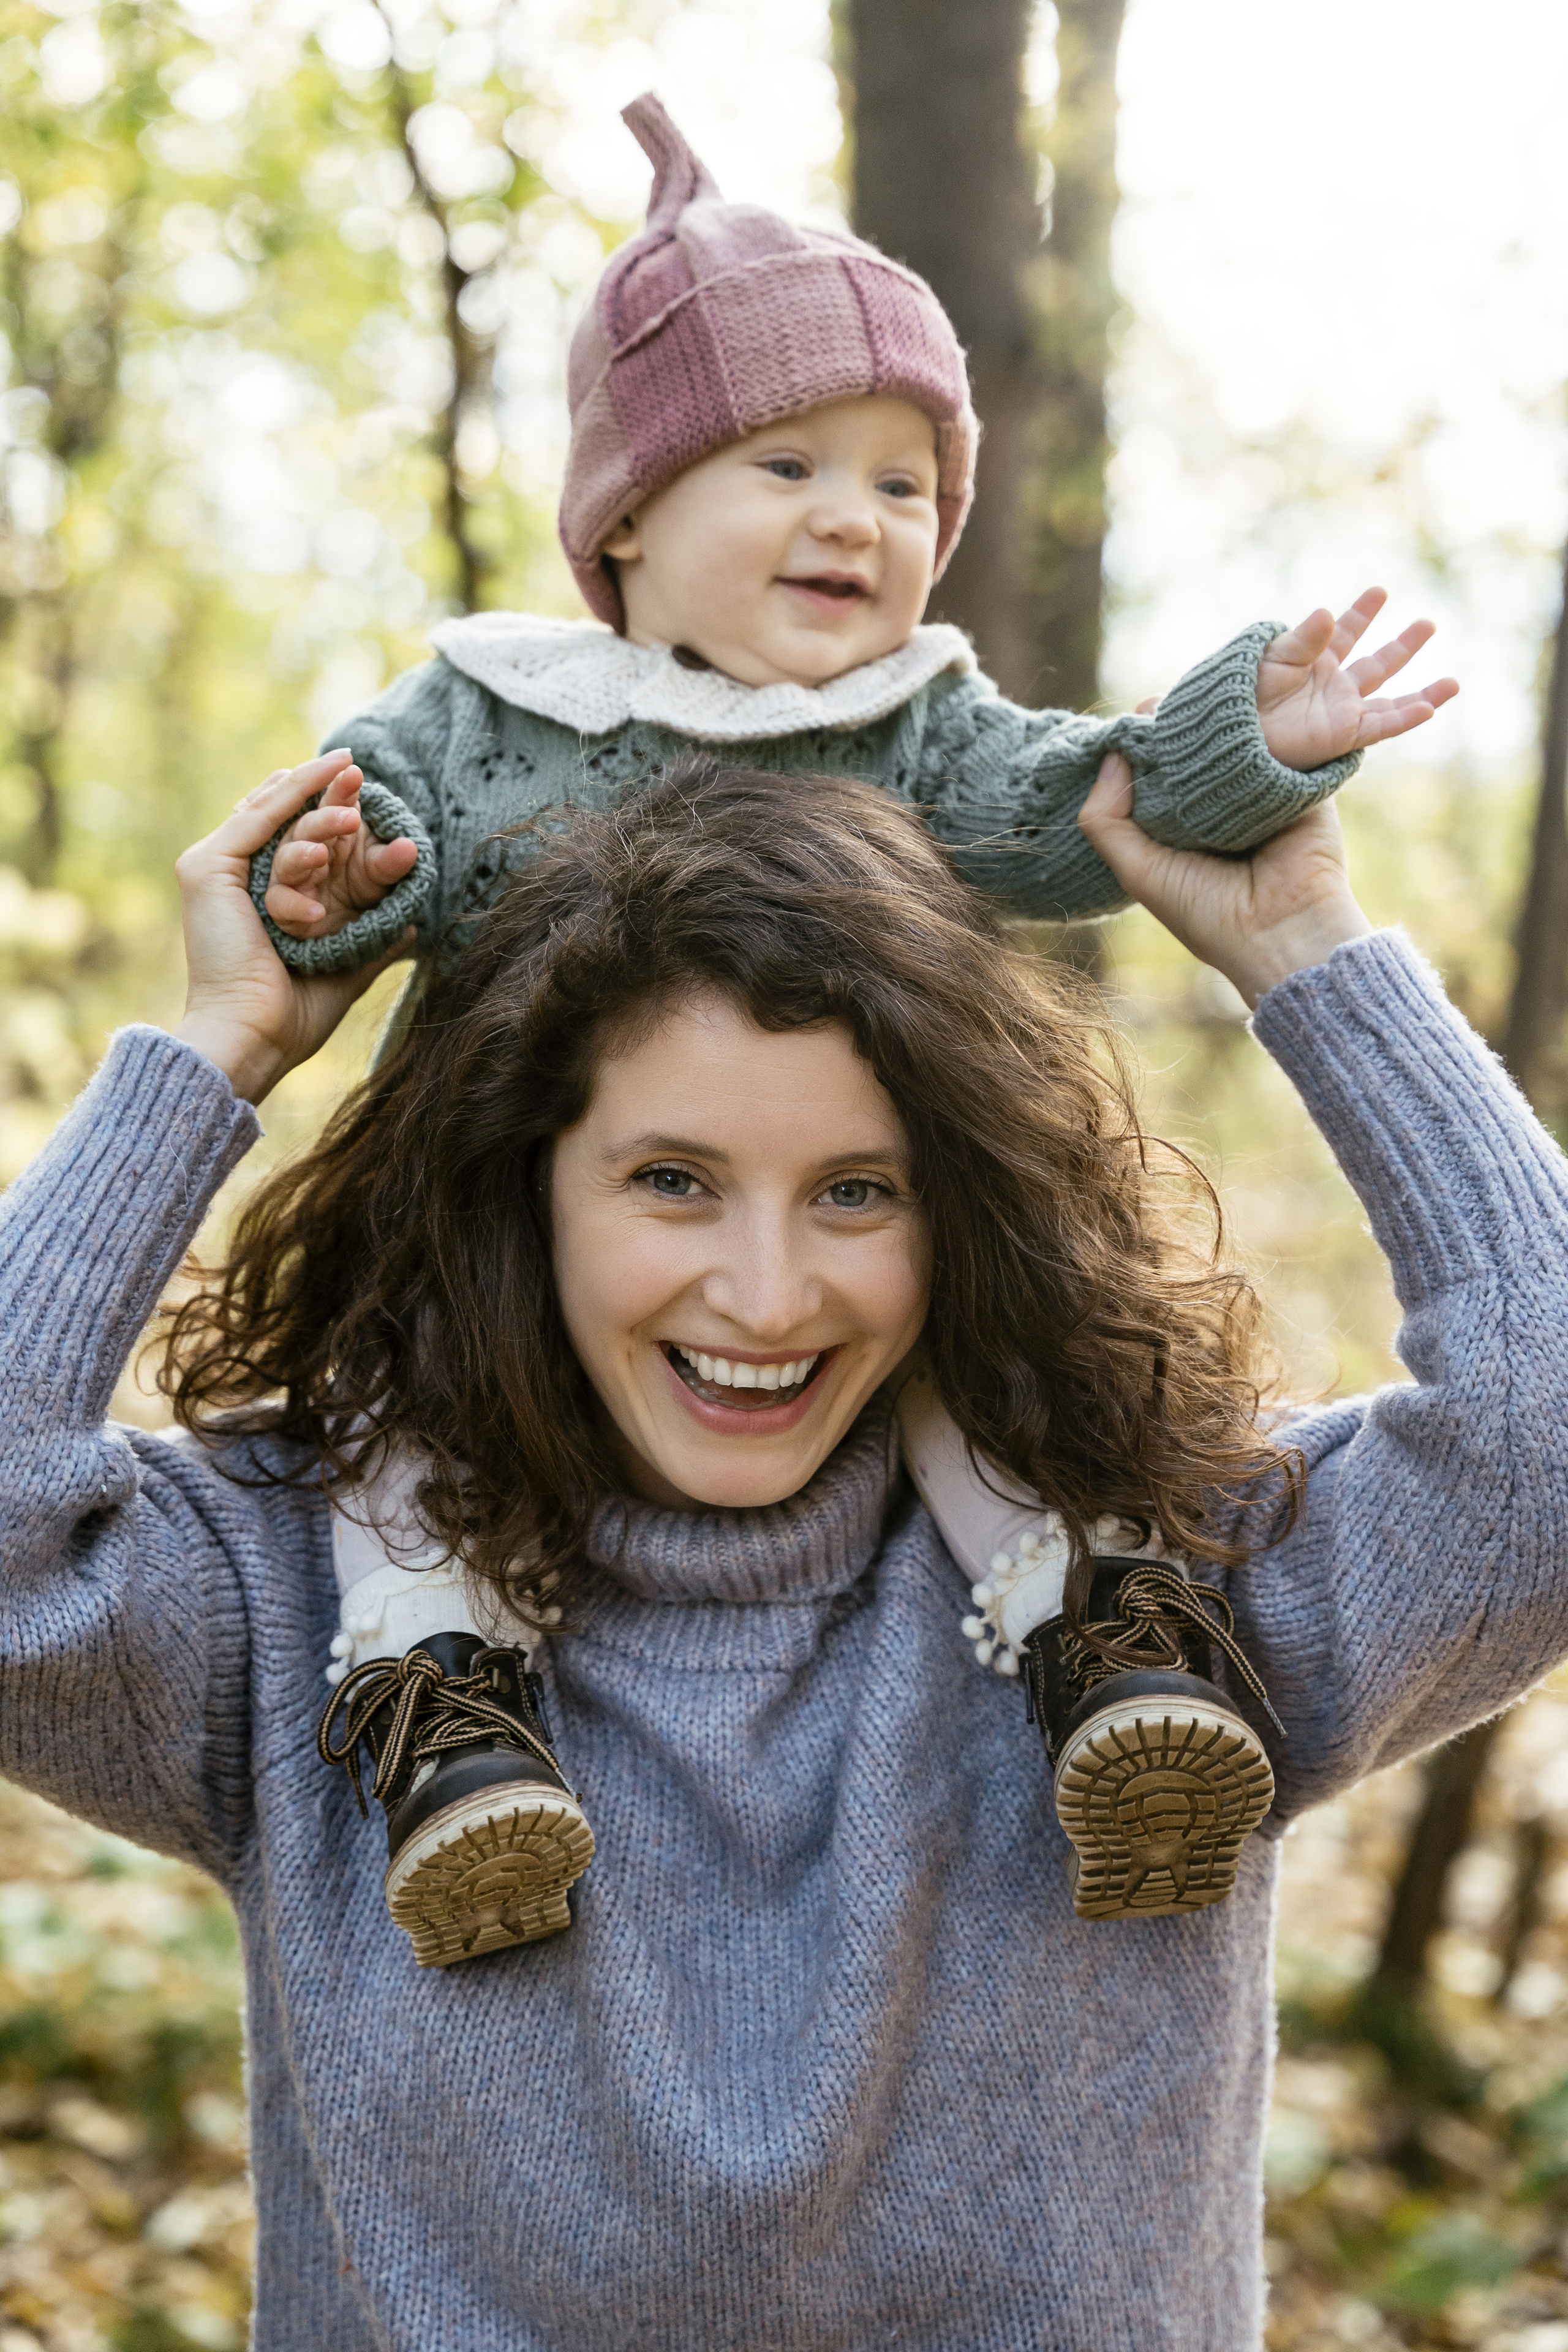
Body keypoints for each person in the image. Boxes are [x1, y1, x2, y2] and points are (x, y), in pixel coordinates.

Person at [3, 753, 1562, 2350]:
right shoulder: (302, 1590)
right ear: (526, 1186)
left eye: (858, 1194)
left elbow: (1548, 1443)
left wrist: (1305, 946)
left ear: (962, 1211)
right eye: (672, 1182)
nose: (765, 1297)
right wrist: (216, 1047)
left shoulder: (1157, 1591)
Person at [241, 95, 1460, 1951]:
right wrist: (319, 889)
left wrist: (1246, 747)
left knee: (1001, 1353)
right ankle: (447, 1707)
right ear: (626, 513)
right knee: (402, 1406)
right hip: (502, 1241)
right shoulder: (490, 716)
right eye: (791, 464)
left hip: (865, 1242)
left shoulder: (920, 733)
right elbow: (358, 853)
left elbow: (1089, 803)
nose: (856, 519)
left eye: (904, 487)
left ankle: (1109, 1639)